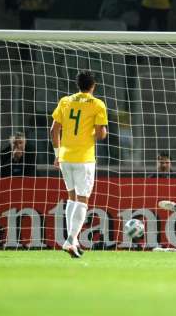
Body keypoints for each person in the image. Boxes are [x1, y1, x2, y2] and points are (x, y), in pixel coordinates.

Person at [50, 70, 108, 258]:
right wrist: (100, 133)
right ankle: (70, 240)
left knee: (72, 198)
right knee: (82, 199)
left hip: (65, 157)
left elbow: (54, 129)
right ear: (93, 86)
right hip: (84, 159)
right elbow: (100, 134)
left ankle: (73, 241)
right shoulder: (98, 104)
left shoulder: (65, 101)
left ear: (78, 85)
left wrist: (57, 154)